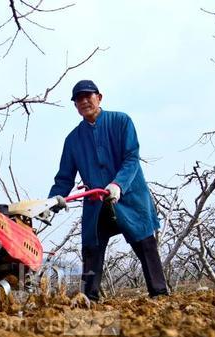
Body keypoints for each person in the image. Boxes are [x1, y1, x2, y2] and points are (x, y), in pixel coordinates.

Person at [48, 79, 168, 300]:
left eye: (88, 96)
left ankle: (159, 295)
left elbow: (131, 158)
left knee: (145, 242)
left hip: (129, 197)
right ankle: (88, 300)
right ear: (75, 106)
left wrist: (117, 184)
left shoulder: (121, 121)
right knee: (91, 248)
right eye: (78, 99)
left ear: (99, 97)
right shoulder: (72, 140)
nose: (84, 102)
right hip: (96, 203)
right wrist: (53, 200)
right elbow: (64, 177)